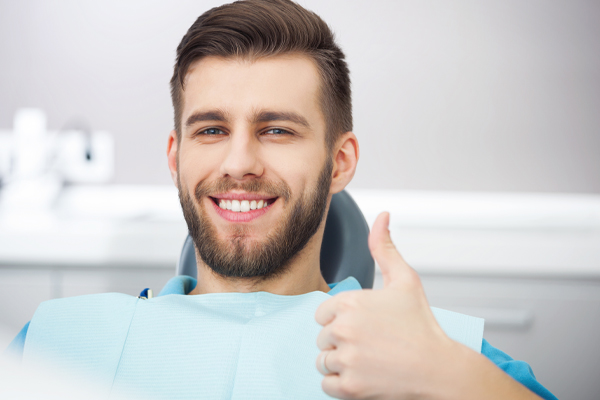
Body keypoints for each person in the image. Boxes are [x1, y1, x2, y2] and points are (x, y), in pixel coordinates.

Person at [6, 1, 558, 399]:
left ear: (339, 162)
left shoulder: (439, 358)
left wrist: (449, 377)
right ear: (175, 157)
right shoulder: (56, 342)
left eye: (276, 130)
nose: (239, 162)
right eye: (211, 130)